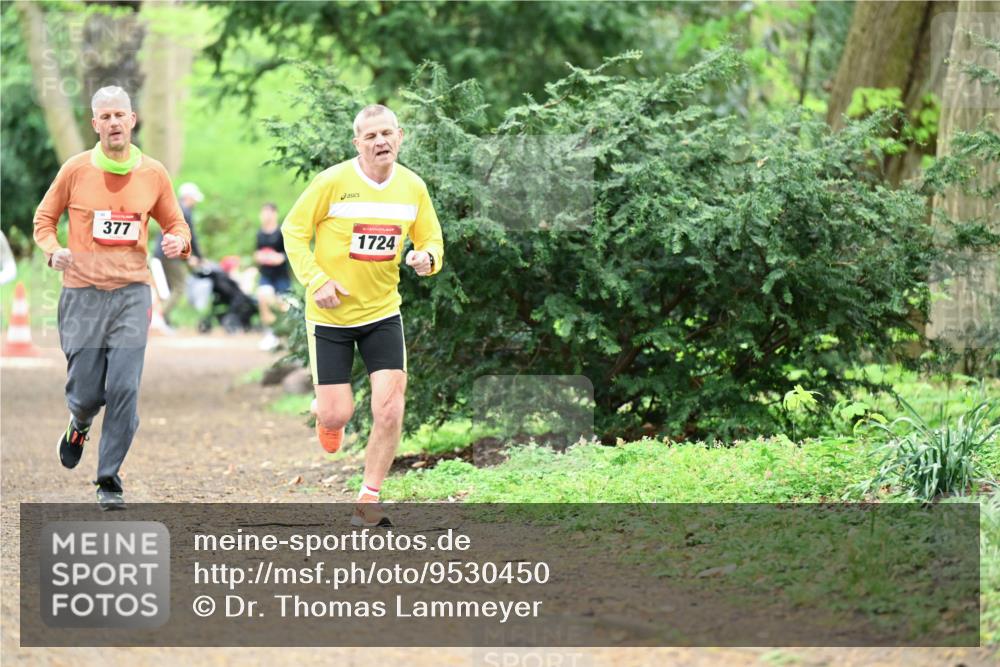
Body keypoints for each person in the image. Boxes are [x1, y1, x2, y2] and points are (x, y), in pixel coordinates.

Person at [281, 104, 444, 527]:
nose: (380, 142)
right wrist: (316, 280)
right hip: (330, 316)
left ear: (400, 136)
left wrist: (428, 258)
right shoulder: (332, 182)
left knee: (390, 408)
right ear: (357, 143)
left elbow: (431, 239)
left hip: (383, 313)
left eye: (387, 133)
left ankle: (368, 498)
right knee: (338, 414)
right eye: (370, 136)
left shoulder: (413, 188)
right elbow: (293, 231)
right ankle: (326, 415)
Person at [32, 86, 192, 509]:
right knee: (87, 392)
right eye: (105, 117)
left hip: (131, 293)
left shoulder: (153, 173)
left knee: (123, 386)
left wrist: (178, 241)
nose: (114, 123)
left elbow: (176, 223)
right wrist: (53, 251)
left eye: (120, 115)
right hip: (82, 292)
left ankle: (108, 478)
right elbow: (44, 220)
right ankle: (80, 422)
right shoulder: (75, 170)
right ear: (95, 124)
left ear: (133, 119)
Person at [155, 181, 203, 324]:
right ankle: (160, 316)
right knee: (179, 287)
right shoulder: (185, 212)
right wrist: (197, 257)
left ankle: (164, 321)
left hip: (162, 252)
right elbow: (190, 236)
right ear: (188, 197)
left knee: (169, 288)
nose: (195, 203)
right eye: (194, 199)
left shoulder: (174, 209)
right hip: (172, 255)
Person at [254, 202, 291, 351]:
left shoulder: (281, 232)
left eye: (268, 212)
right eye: (263, 212)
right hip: (266, 274)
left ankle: (283, 334)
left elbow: (288, 253)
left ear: (275, 214)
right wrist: (259, 257)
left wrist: (280, 257)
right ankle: (269, 333)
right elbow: (257, 252)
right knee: (264, 299)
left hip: (281, 275)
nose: (266, 216)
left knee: (283, 305)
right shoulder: (260, 233)